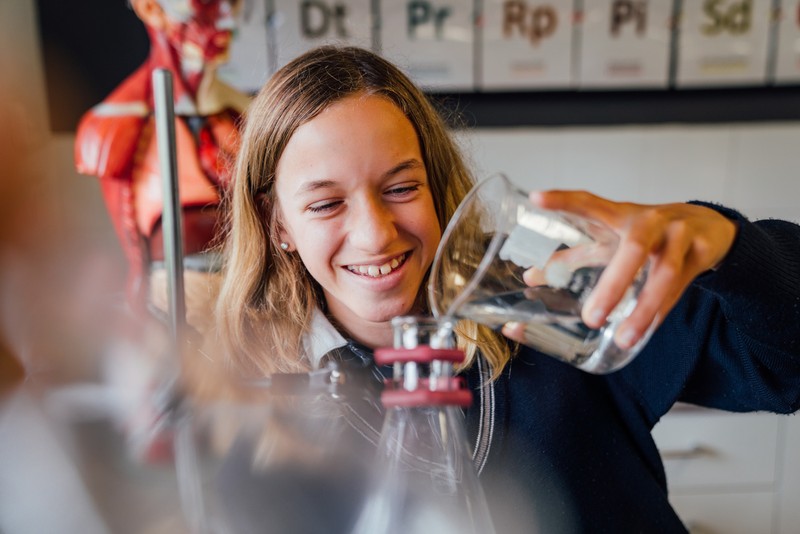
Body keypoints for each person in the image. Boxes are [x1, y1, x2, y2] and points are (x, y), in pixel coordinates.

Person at [214, 45, 800, 533]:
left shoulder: (550, 292)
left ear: (437, 186)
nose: (374, 234)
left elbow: (785, 366)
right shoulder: (256, 401)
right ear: (277, 223)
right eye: (325, 203)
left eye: (400, 188)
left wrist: (730, 248)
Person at [74, 0, 249, 333]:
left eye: (233, 2)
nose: (227, 18)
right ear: (151, 8)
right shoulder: (113, 127)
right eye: (206, 4)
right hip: (174, 317)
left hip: (254, 312)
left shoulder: (248, 114)